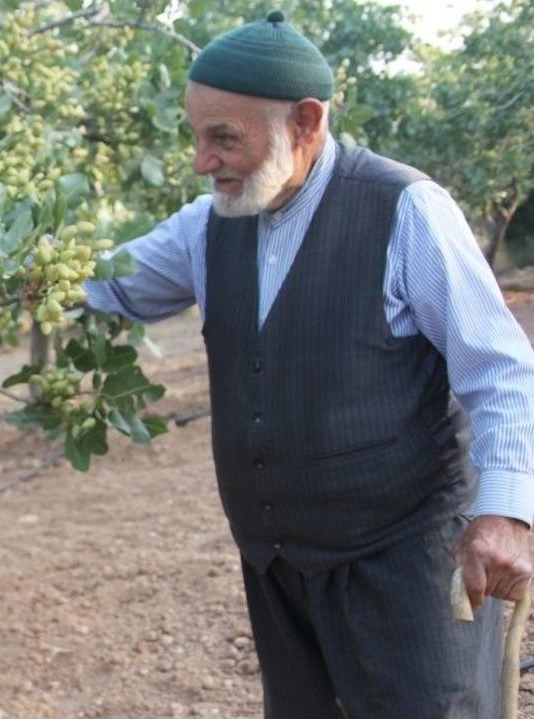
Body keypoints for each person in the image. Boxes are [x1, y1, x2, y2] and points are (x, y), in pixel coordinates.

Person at [83, 11, 534, 719]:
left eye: (223, 137)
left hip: (405, 561)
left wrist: (506, 512)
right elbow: (107, 280)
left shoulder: (405, 210)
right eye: (197, 135)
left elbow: (502, 369)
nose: (203, 160)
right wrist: (2, 265)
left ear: (306, 121)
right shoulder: (210, 224)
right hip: (278, 565)